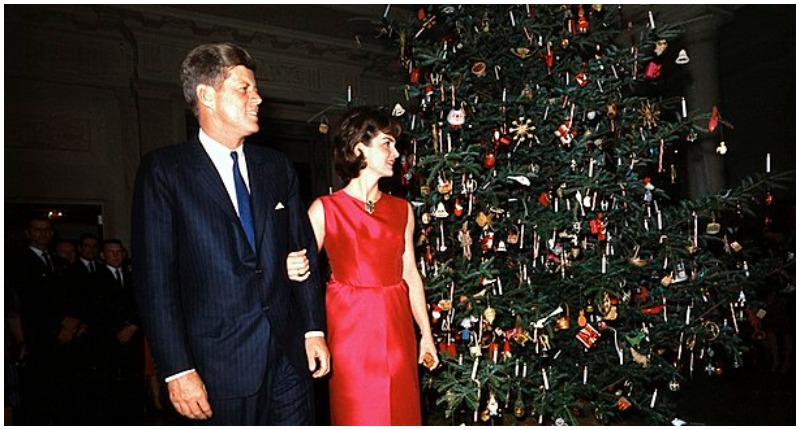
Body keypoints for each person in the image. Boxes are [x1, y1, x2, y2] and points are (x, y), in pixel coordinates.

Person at [131, 42, 329, 426]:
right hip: (216, 366)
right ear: (206, 95)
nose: (258, 98)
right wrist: (176, 369)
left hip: (289, 358)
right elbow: (155, 281)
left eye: (255, 88)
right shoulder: (165, 171)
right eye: (244, 88)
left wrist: (313, 330)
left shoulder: (277, 166)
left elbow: (302, 250)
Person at [293, 106, 439, 425]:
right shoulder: (325, 209)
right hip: (350, 329)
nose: (396, 154)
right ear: (360, 149)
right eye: (387, 144)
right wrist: (309, 333)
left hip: (397, 324)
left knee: (401, 410)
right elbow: (299, 275)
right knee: (359, 412)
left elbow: (410, 273)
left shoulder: (402, 210)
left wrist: (426, 335)